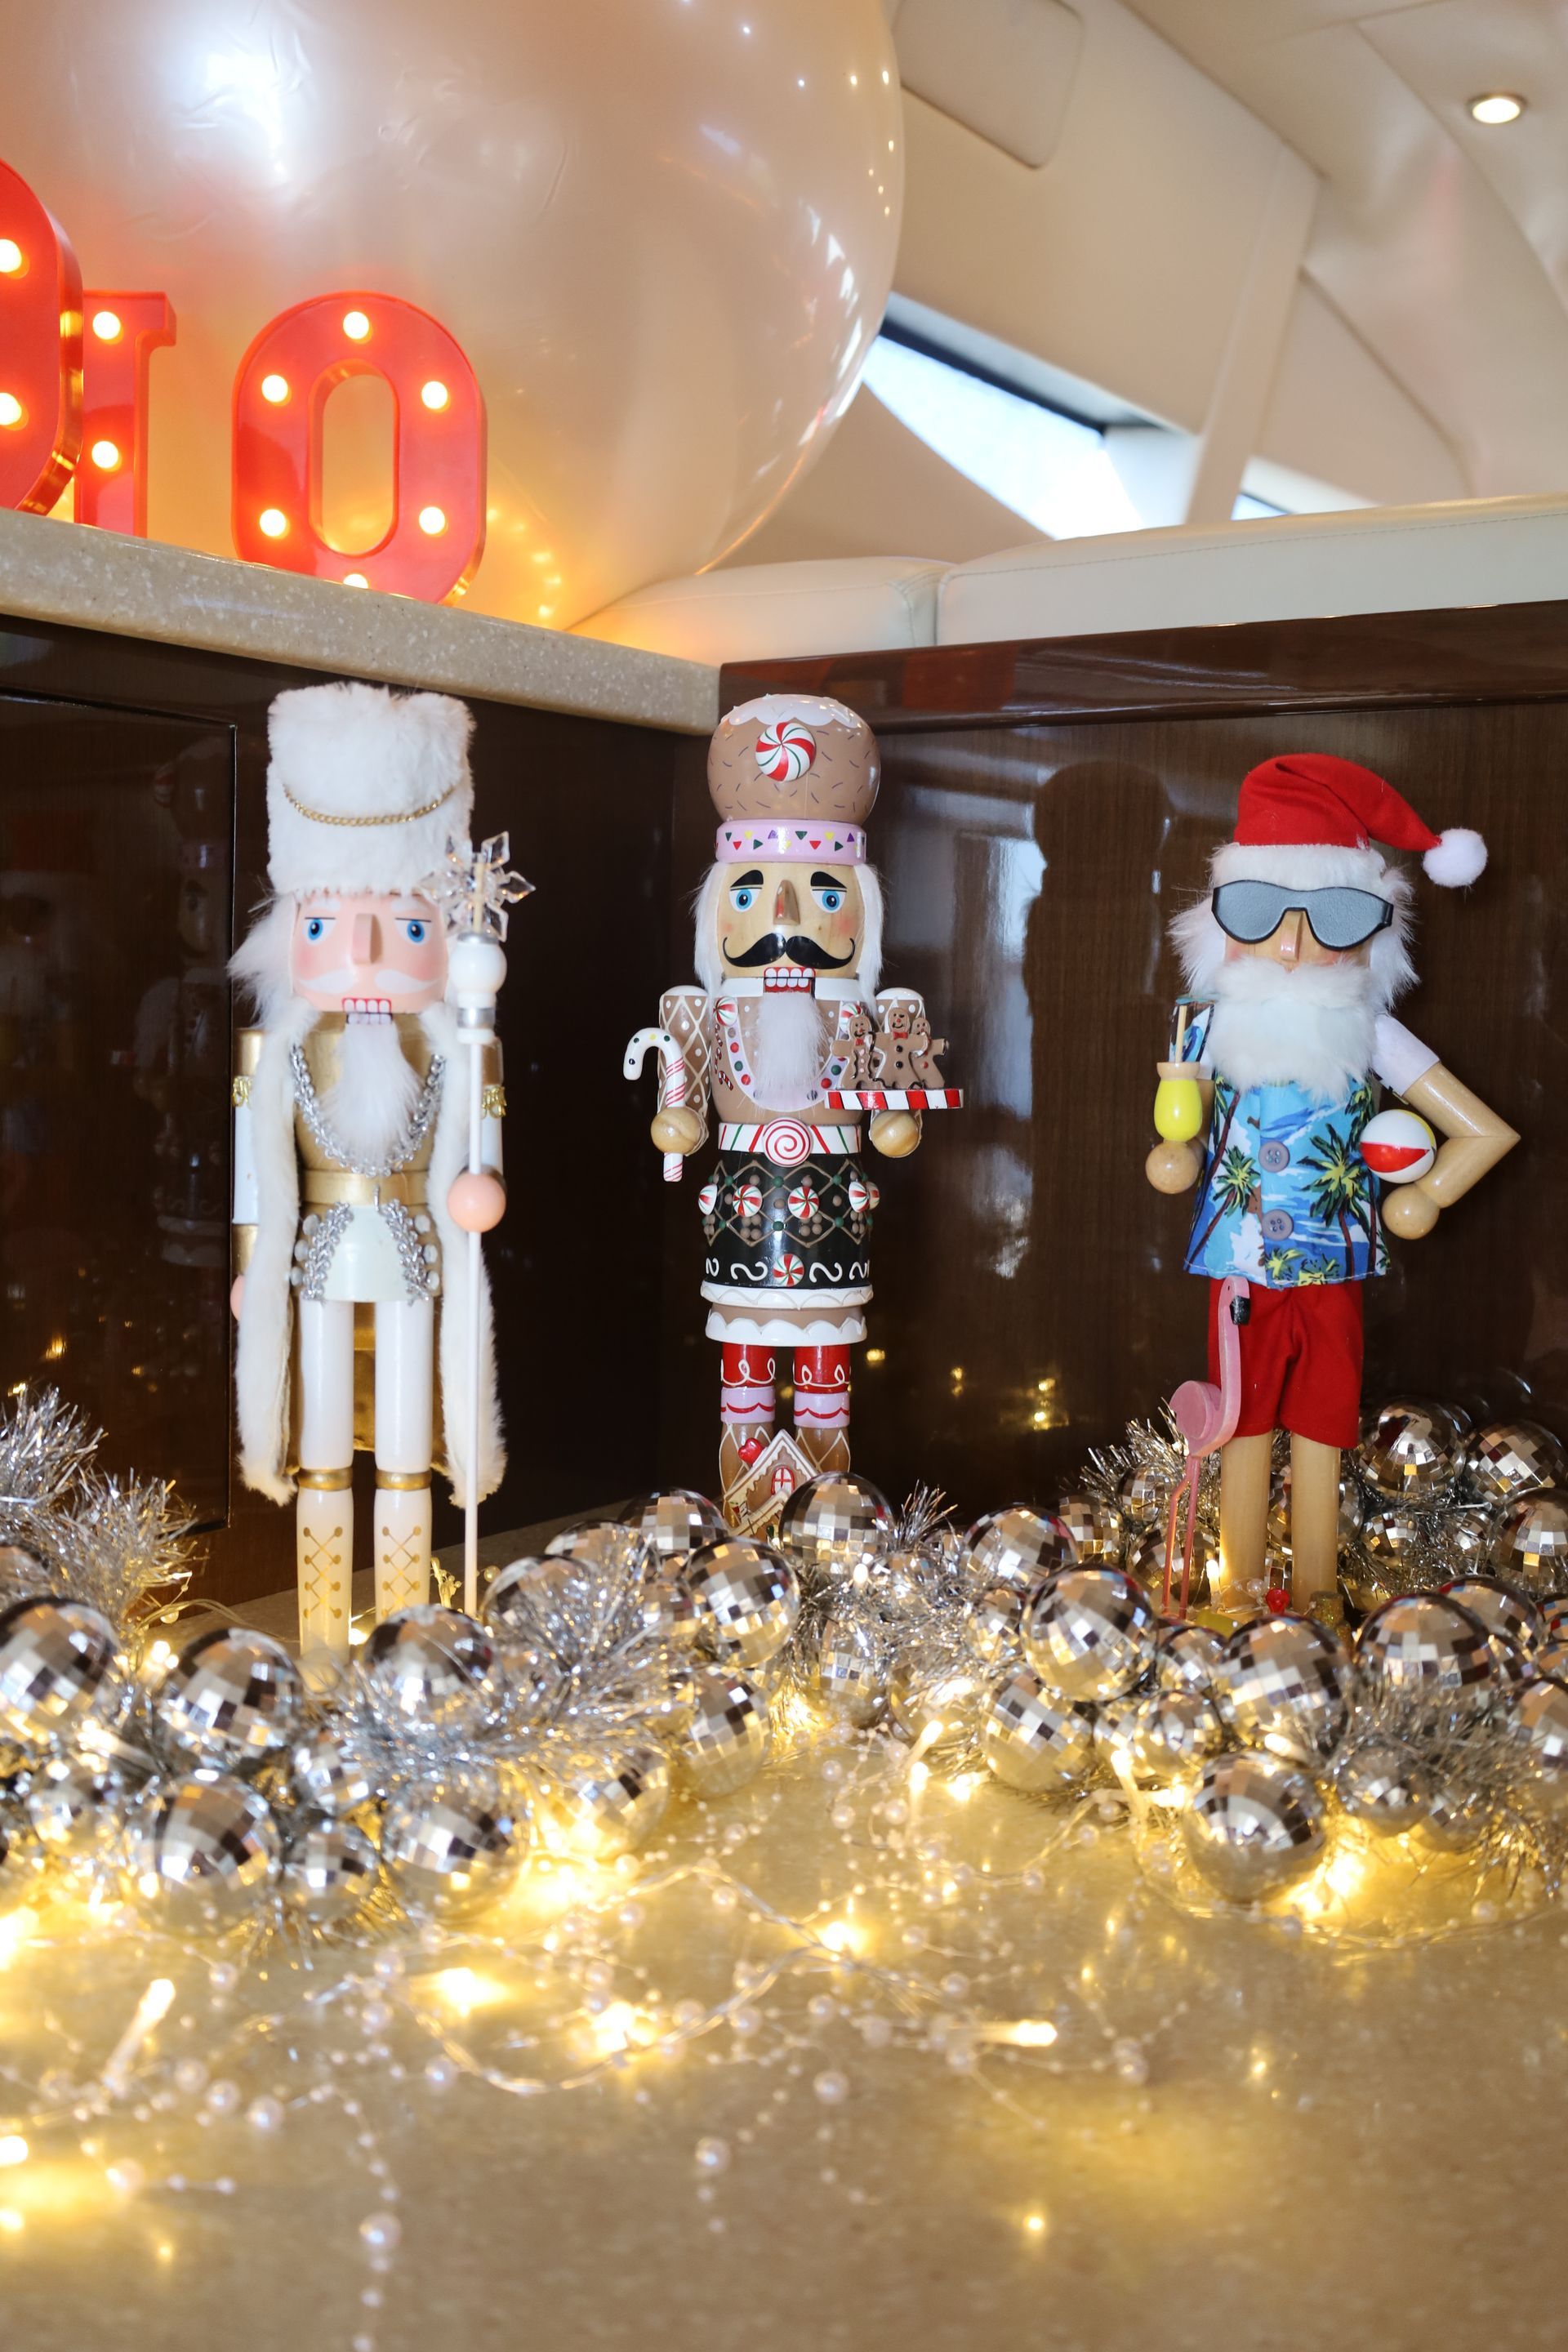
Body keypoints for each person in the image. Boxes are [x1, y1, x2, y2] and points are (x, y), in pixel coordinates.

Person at [1147, 751, 1517, 1619]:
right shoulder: (1204, 1030)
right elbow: (1176, 1137)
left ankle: (1318, 1597)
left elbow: (1486, 1129)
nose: (1289, 944)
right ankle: (1236, 1596)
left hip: (1335, 1260)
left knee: (1323, 1419)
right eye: (1258, 912)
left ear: (1373, 929)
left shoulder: (1369, 1033)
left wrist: (1427, 1193)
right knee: (1242, 1419)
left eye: (1333, 919)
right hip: (1239, 1265)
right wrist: (1174, 1157)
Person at [635, 694, 958, 1531]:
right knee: (741, 1366)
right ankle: (747, 1523)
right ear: (716, 912)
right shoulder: (701, 1011)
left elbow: (895, 1126)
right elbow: (680, 1117)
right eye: (751, 895)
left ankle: (824, 1527)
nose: (784, 921)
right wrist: (678, 1122)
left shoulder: (879, 1013)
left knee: (826, 1368)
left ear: (862, 912)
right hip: (743, 1216)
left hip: (835, 1213)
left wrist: (895, 1123)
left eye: (819, 894)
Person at [230, 682, 506, 1656]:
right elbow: (255, 1172)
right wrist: (251, 1257)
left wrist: (480, 1187)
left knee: (403, 1452)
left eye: (407, 931)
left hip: (417, 1257)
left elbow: (482, 1152)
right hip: (313, 1260)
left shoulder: (462, 1049)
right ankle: (318, 1651)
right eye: (326, 930)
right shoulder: (275, 1054)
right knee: (318, 1454)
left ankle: (403, 1640)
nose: (365, 954)